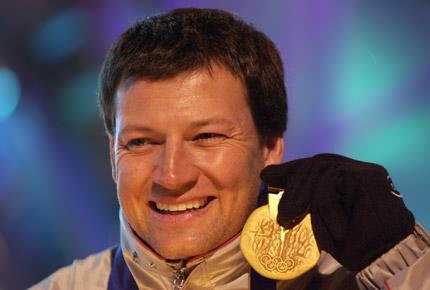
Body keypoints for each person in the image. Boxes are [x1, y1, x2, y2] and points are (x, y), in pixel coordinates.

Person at [30, 7, 429, 290]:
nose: (172, 175)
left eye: (206, 137)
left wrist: (402, 258)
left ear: (270, 147)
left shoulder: (356, 277)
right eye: (141, 142)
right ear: (112, 156)